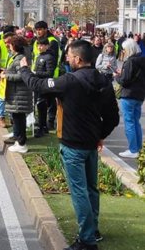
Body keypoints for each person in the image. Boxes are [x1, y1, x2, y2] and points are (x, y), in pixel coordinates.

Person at [20, 40, 119, 250]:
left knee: (80, 192)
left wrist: (24, 69)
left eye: (70, 57)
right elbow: (113, 118)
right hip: (91, 145)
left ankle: (87, 241)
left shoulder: (69, 81)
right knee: (91, 189)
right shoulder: (103, 81)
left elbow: (38, 85)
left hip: (73, 145)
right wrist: (100, 135)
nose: (67, 59)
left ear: (78, 59)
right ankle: (94, 230)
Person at [0, 35, 34, 152]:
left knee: (19, 118)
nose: (9, 46)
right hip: (17, 93)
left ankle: (21, 143)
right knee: (17, 117)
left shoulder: (20, 58)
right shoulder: (17, 57)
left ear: (15, 46)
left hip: (19, 94)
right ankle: (18, 141)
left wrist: (6, 76)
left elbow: (21, 75)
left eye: (10, 44)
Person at [113, 38, 145, 159]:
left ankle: (133, 149)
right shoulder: (142, 60)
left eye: (124, 50)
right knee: (136, 122)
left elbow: (125, 81)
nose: (123, 52)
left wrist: (117, 76)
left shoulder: (131, 62)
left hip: (129, 95)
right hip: (139, 95)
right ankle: (138, 148)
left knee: (129, 122)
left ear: (129, 49)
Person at [32, 37, 56, 138]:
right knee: (39, 106)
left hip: (45, 85)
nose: (39, 47)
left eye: (41, 45)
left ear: (46, 46)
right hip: (38, 84)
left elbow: (49, 73)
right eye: (38, 45)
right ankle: (43, 125)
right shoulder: (39, 56)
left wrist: (36, 73)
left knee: (42, 106)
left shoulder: (49, 57)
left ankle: (42, 127)